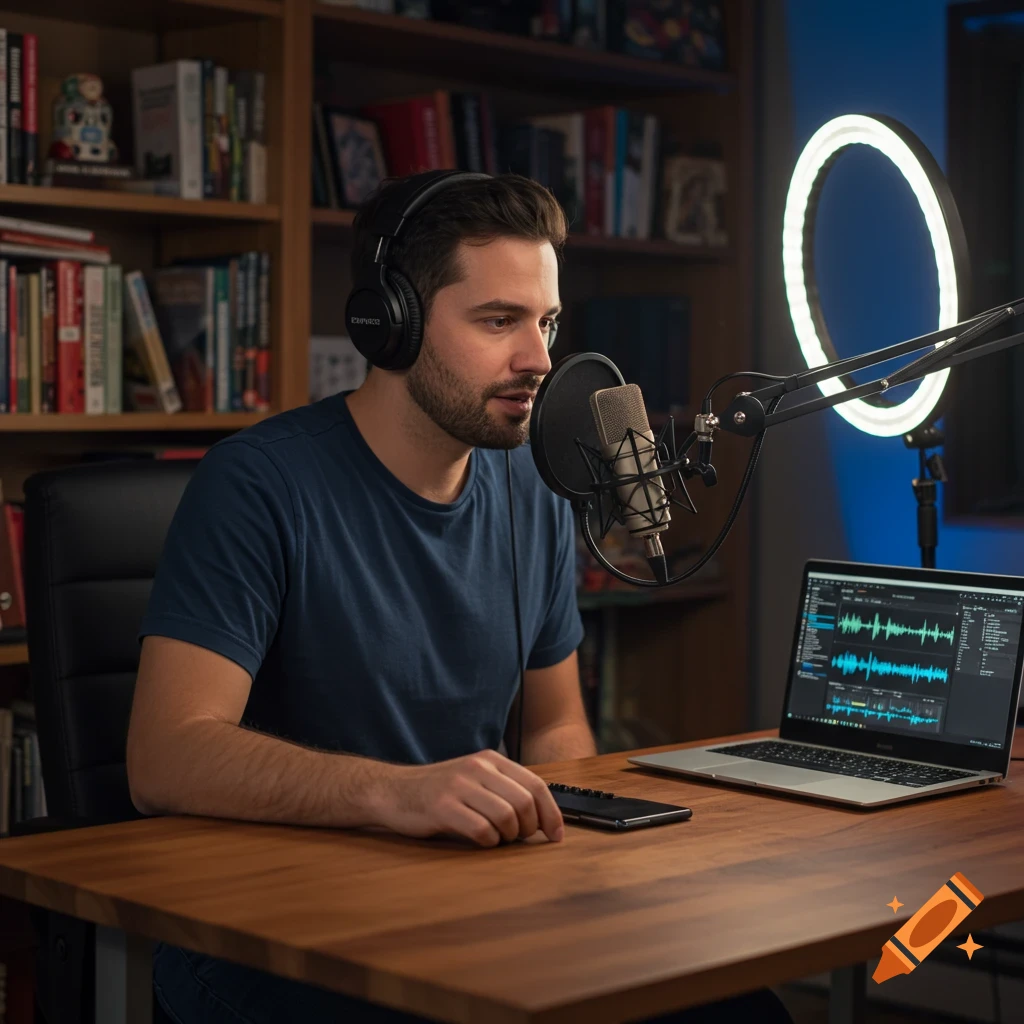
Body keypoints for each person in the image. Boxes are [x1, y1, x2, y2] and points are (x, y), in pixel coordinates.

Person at [126, 170, 794, 1024]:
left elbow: (555, 727)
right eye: (497, 321)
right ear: (391, 324)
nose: (540, 361)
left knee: (737, 1012)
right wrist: (397, 794)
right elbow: (165, 756)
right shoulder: (259, 485)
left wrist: (582, 882)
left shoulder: (535, 486)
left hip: (462, 902)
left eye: (546, 322)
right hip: (268, 931)